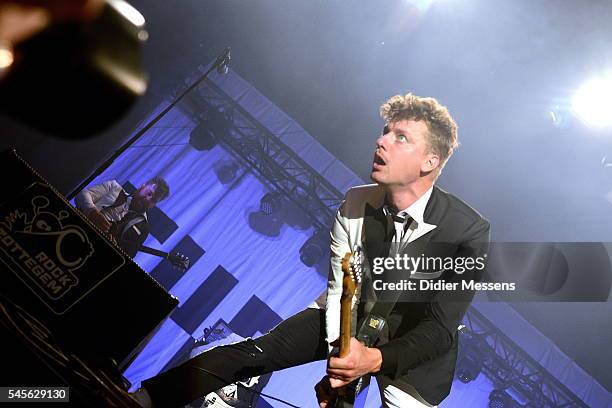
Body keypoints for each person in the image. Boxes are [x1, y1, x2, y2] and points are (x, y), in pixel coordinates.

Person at [131, 93, 490, 408]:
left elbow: (440, 327)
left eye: (400, 138)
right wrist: (342, 360)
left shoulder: (466, 230)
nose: (381, 142)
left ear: (430, 161)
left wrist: (373, 360)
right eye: (384, 132)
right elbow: (341, 289)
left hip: (413, 347)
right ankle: (145, 399)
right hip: (350, 313)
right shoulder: (356, 201)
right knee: (259, 353)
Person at [75, 176, 170, 258]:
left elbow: (126, 258)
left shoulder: (143, 228)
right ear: (142, 186)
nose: (148, 199)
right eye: (149, 193)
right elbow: (81, 195)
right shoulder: (113, 187)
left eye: (153, 200)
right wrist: (92, 213)